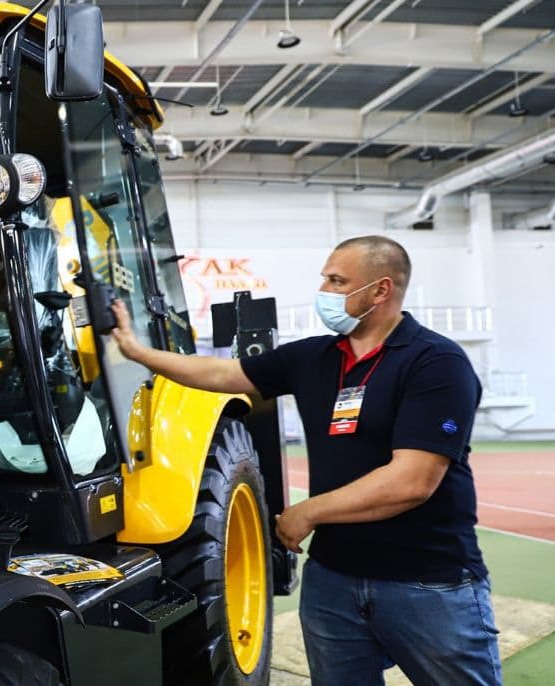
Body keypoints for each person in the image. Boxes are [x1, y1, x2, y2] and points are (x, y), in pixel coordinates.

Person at [111, 235, 501, 685]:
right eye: (325, 279)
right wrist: (138, 353)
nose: (324, 291)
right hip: (333, 582)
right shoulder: (315, 357)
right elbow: (222, 373)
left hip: (426, 584)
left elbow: (412, 481)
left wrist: (309, 512)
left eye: (337, 281)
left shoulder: (436, 363)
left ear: (381, 290)